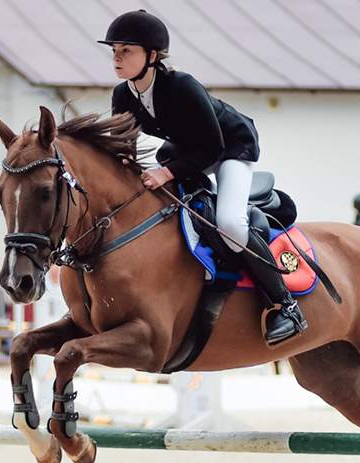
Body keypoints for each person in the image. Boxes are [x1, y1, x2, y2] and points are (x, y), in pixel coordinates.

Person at [101, 10, 306, 345]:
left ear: (152, 56)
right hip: (186, 150)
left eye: (126, 50)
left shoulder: (182, 86)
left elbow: (212, 146)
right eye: (114, 51)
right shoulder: (123, 94)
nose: (117, 58)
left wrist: (166, 172)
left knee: (230, 223)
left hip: (230, 148)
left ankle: (286, 304)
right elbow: (123, 145)